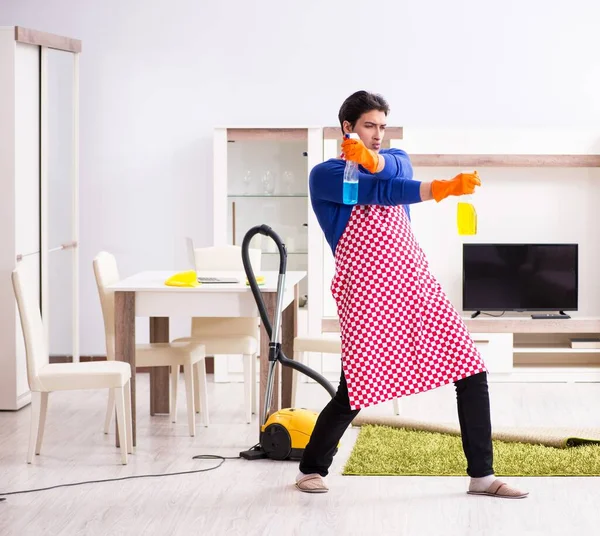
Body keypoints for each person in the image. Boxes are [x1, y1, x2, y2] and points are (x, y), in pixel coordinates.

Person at [295, 90, 528, 500]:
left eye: (383, 126)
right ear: (347, 127)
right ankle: (312, 468)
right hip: (366, 290)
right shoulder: (324, 175)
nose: (378, 134)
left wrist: (410, 173)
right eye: (369, 126)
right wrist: (429, 186)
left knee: (471, 369)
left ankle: (483, 475)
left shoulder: (398, 158)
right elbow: (382, 192)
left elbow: (393, 174)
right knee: (358, 386)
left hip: (413, 283)